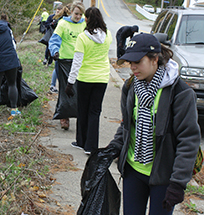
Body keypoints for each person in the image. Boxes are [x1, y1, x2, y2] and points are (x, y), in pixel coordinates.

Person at [105, 33, 201, 214]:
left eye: (138, 62)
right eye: (129, 62)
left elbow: (188, 140)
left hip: (163, 177)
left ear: (155, 59)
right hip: (133, 171)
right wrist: (113, 148)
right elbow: (127, 125)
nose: (132, 67)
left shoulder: (180, 93)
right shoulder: (131, 86)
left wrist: (178, 183)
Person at [65, 7, 112, 155]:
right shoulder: (108, 35)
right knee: (95, 112)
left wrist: (70, 82)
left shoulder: (83, 37)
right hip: (102, 77)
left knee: (83, 110)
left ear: (87, 19)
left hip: (85, 78)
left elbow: (77, 62)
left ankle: (81, 141)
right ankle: (91, 147)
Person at [49, 1, 86, 130]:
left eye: (80, 14)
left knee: (78, 90)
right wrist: (55, 51)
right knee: (65, 90)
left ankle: (79, 115)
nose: (78, 17)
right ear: (70, 12)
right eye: (76, 14)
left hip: (80, 61)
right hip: (64, 61)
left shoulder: (84, 24)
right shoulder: (63, 24)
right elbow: (54, 40)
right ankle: (64, 117)